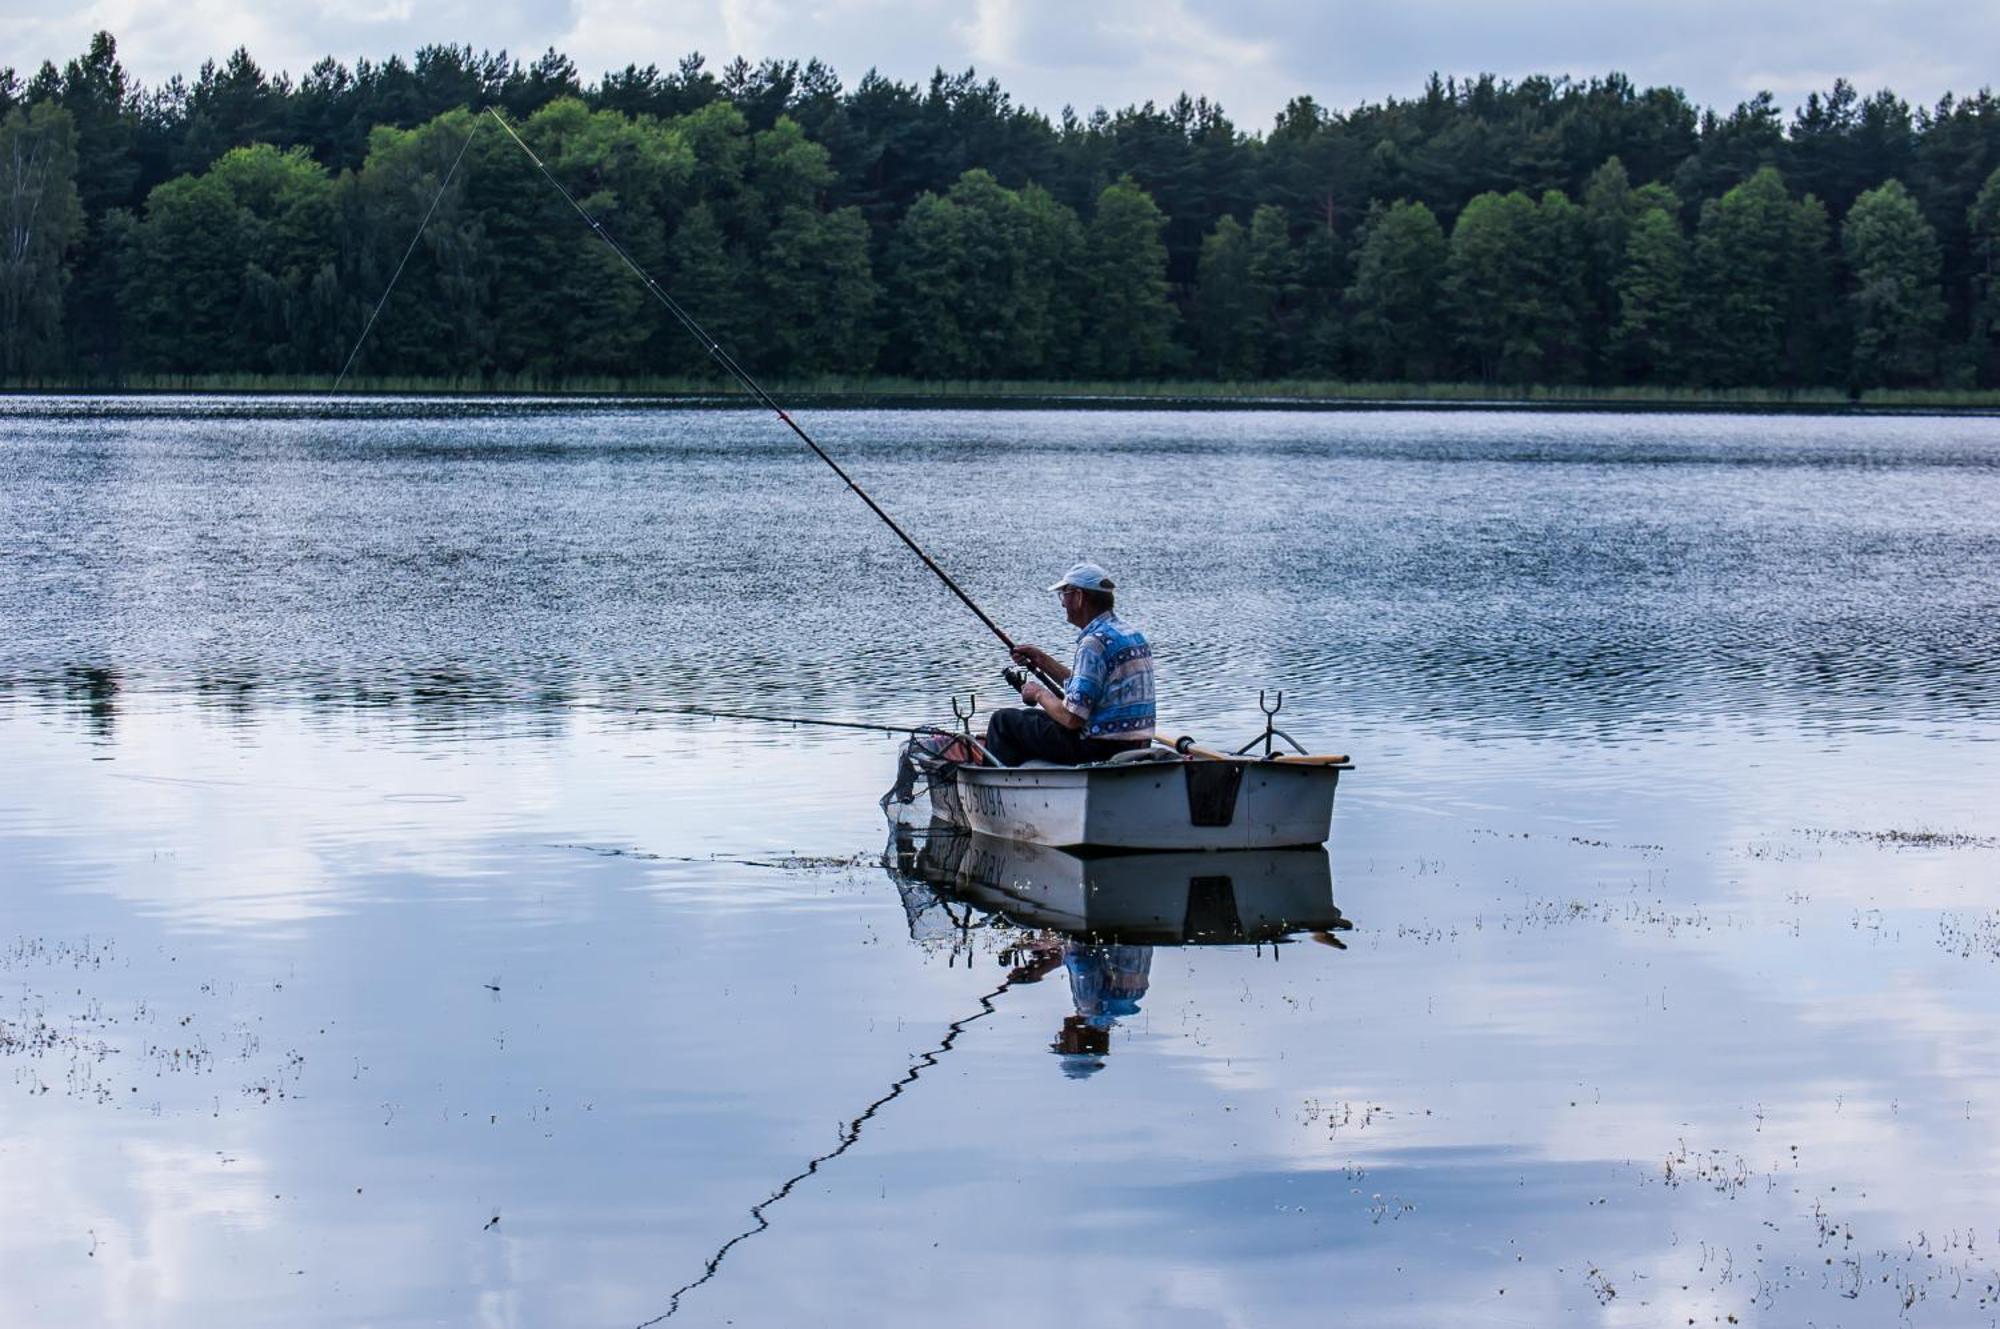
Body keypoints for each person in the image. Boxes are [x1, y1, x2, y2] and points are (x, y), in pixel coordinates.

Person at [983, 561, 1156, 767]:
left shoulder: (1094, 643)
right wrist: (1042, 660)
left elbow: (1072, 719)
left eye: (1064, 594)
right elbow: (1089, 689)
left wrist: (1038, 693)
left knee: (1003, 722)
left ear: (1079, 597)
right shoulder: (1130, 635)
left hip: (1096, 746)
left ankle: (1000, 784)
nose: (1063, 603)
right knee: (1028, 717)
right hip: (1135, 744)